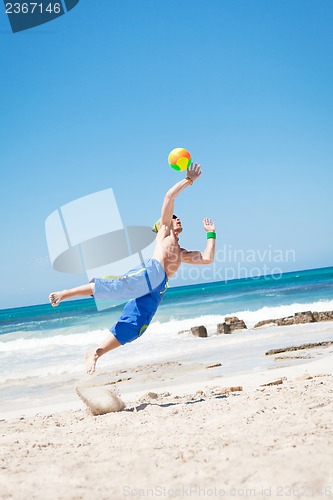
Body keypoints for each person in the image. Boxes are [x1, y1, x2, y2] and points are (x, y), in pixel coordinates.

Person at [49, 163, 216, 374]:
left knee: (136, 326)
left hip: (159, 287)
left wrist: (211, 234)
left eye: (176, 217)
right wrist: (189, 180)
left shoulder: (181, 253)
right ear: (164, 224)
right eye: (174, 217)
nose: (177, 218)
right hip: (151, 272)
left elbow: (207, 258)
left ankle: (96, 352)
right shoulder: (164, 233)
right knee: (118, 286)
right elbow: (169, 197)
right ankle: (65, 293)